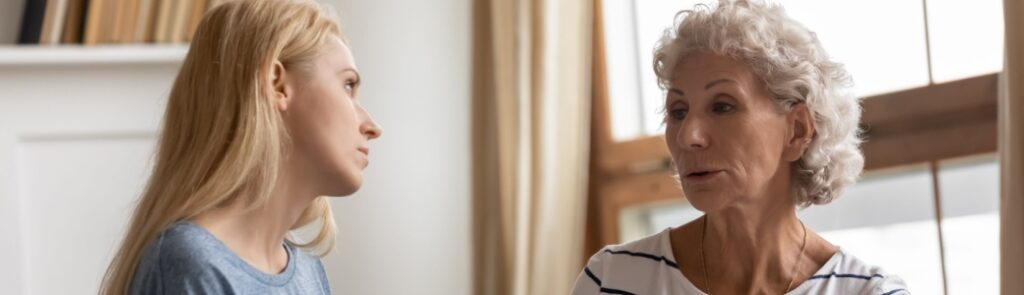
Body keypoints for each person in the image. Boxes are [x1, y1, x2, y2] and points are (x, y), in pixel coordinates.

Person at [572, 1, 908, 294]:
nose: (689, 135)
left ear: (797, 130)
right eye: (678, 111)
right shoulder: (610, 280)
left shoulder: (868, 292)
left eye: (722, 106)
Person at [99, 0, 381, 294]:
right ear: (278, 85)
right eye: (348, 85)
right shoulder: (192, 264)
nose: (373, 126)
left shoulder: (308, 273)